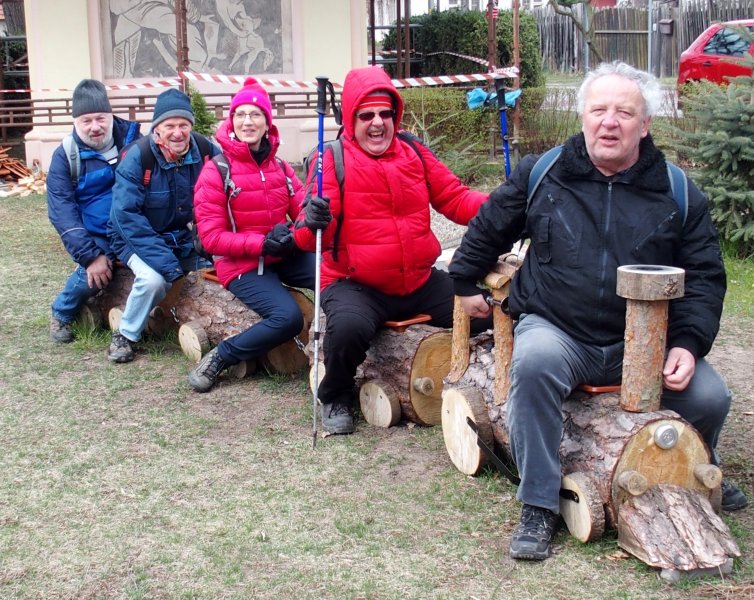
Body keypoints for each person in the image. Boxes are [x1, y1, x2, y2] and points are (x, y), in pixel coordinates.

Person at [448, 61, 749, 562]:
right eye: (599, 110)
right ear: (583, 117)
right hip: (559, 329)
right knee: (534, 363)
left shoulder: (676, 191)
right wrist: (462, 280)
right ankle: (539, 503)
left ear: (645, 124)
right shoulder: (543, 173)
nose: (610, 121)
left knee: (712, 395)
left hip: (645, 342)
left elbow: (705, 278)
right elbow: (490, 225)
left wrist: (687, 345)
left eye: (625, 112)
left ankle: (701, 465)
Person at [293, 66, 491, 436]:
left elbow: (455, 198)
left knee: (483, 312)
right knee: (350, 328)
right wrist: (311, 221)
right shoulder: (330, 159)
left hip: (417, 280)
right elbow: (306, 240)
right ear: (351, 118)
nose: (378, 123)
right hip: (355, 283)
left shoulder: (413, 150)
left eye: (385, 114)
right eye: (366, 115)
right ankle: (335, 393)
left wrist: (504, 207)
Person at [188, 77, 313, 392]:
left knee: (334, 275)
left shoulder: (280, 168)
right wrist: (261, 243)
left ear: (267, 122)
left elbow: (303, 212)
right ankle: (221, 357)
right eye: (241, 114)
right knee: (288, 318)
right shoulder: (217, 171)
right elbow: (212, 237)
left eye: (256, 114)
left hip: (281, 253)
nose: (248, 121)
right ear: (231, 122)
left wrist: (308, 220)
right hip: (240, 264)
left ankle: (335, 347)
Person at [107, 88, 219, 363]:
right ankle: (125, 334)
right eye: (170, 125)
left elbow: (221, 196)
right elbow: (126, 217)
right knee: (154, 280)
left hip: (180, 236)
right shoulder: (137, 157)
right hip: (132, 236)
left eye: (184, 125)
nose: (178, 133)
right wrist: (166, 263)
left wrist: (209, 237)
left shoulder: (205, 151)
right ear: (157, 129)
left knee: (218, 269)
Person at [48, 79, 142, 343]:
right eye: (86, 121)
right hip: (97, 233)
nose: (95, 127)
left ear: (110, 115)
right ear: (75, 122)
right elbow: (61, 212)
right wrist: (90, 256)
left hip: (137, 224)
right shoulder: (65, 156)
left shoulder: (134, 141)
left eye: (100, 118)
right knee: (92, 275)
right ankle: (61, 313)